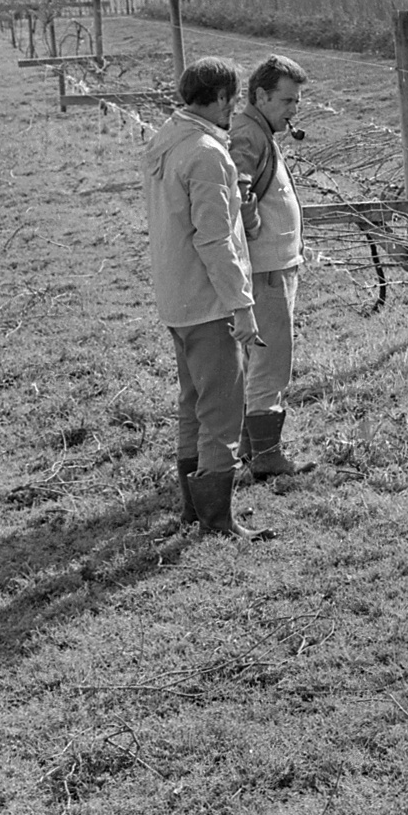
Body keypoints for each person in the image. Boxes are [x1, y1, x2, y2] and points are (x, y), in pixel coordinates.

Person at [142, 56, 273, 540]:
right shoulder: (207, 154)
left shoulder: (166, 141)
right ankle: (219, 520)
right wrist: (242, 304)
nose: (233, 110)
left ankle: (194, 509)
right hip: (208, 300)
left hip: (176, 296)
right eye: (233, 100)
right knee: (222, 407)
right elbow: (213, 240)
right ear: (220, 98)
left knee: (193, 401)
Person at [230, 54, 317, 479]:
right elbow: (238, 186)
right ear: (261, 95)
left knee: (261, 358)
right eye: (287, 101)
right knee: (271, 358)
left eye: (297, 102)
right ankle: (266, 458)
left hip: (273, 263)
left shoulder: (260, 129)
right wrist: (254, 226)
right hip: (265, 267)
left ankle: (250, 449)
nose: (293, 110)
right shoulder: (248, 132)